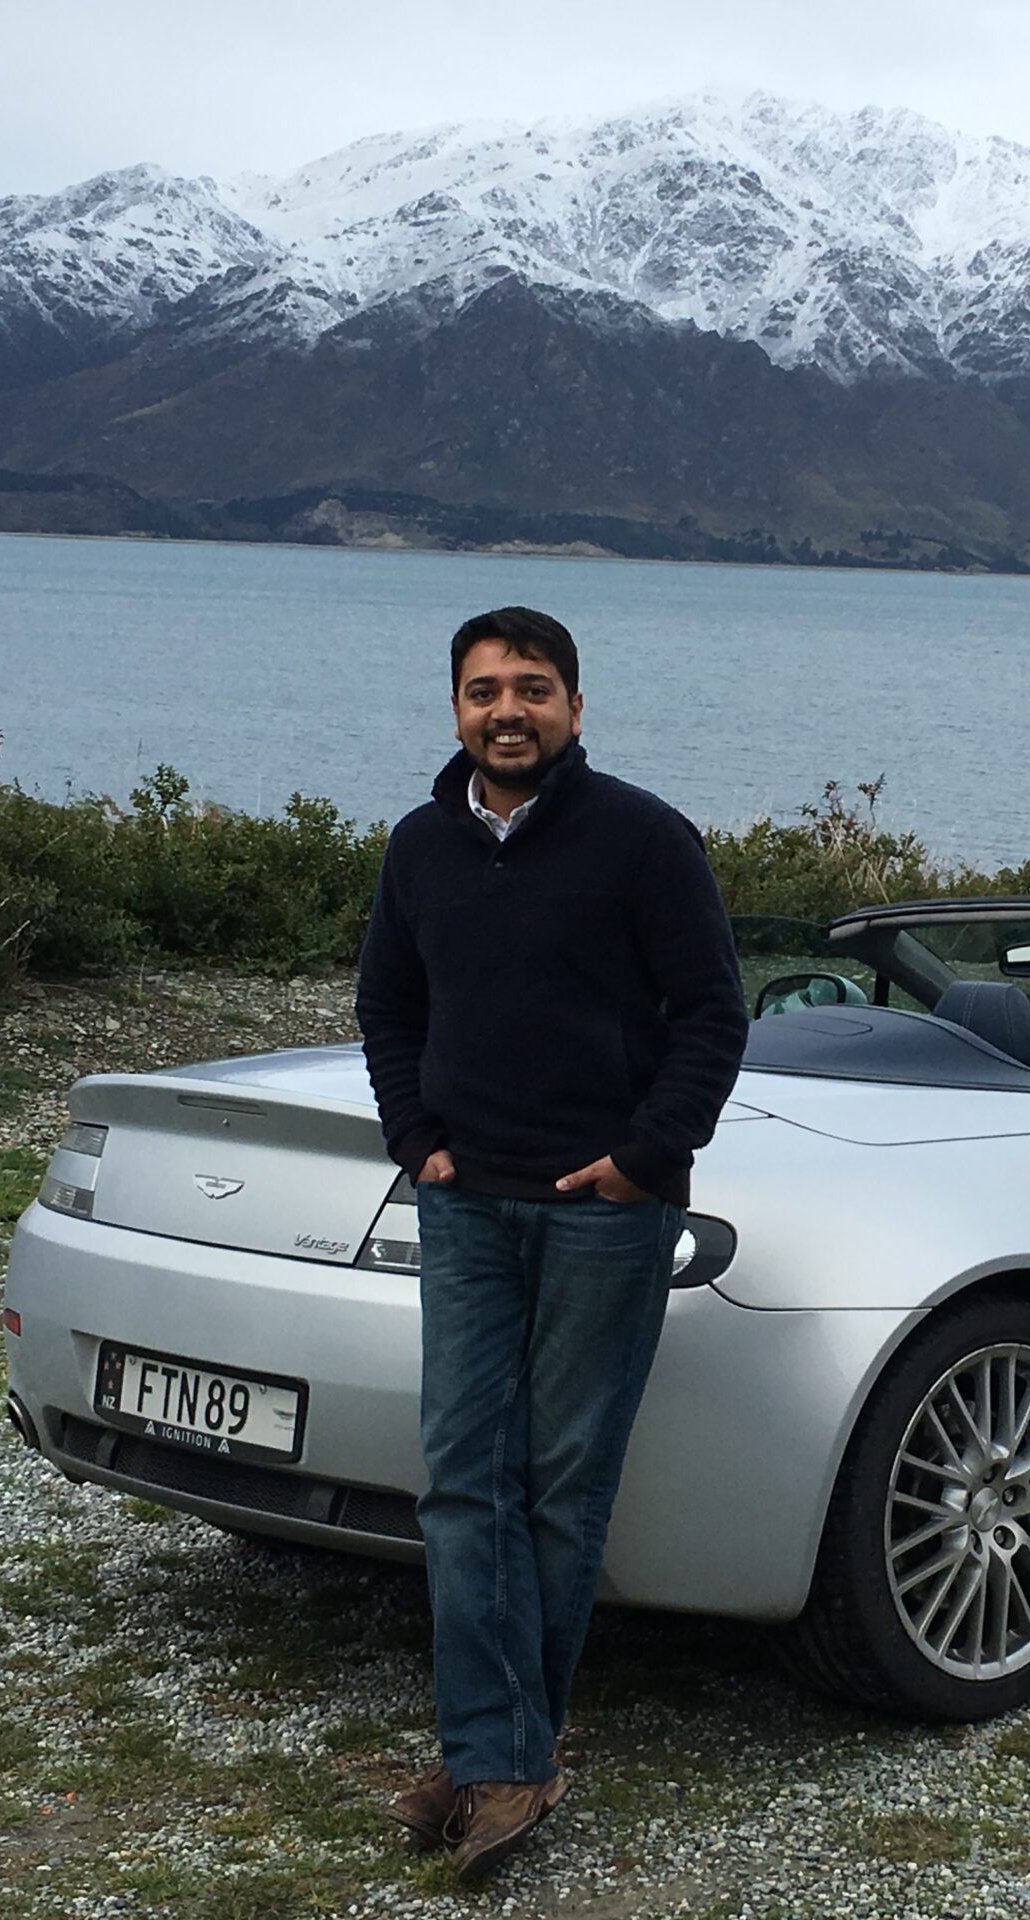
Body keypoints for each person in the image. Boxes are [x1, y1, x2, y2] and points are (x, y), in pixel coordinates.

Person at [355, 605, 748, 1878]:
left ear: (576, 708)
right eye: (482, 690)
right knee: (461, 1483)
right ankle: (500, 1761)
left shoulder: (643, 840)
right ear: (454, 710)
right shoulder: (418, 848)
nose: (506, 710)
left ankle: (495, 1760)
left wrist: (646, 1160)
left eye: (532, 688)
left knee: (560, 1490)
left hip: (603, 1212)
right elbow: (388, 1007)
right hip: (466, 1203)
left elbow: (710, 1015)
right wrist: (414, 1135)